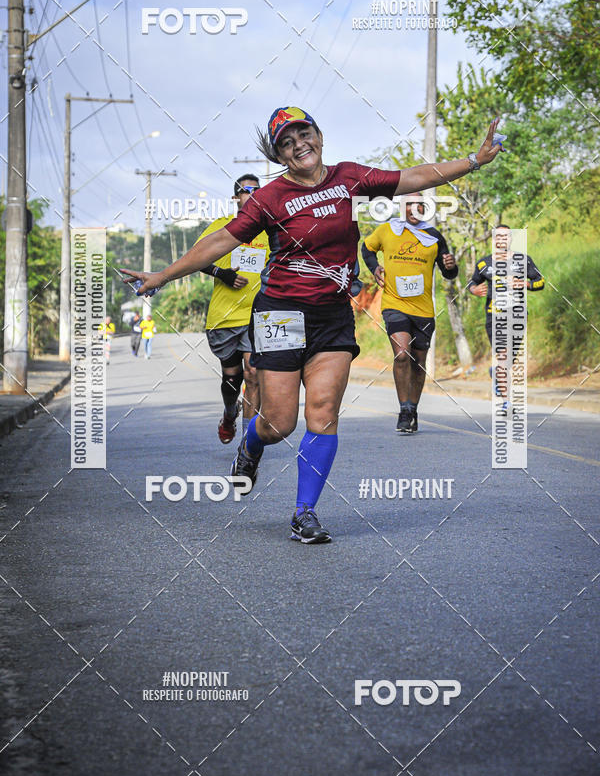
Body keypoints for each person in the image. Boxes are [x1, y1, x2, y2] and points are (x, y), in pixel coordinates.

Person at [122, 107, 503, 544]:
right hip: (280, 314)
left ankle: (304, 512)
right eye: (286, 142)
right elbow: (220, 241)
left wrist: (474, 161)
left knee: (323, 413)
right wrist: (162, 276)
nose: (298, 145)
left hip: (331, 317)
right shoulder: (269, 198)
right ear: (279, 155)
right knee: (278, 423)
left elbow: (413, 177)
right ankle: (251, 445)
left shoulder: (349, 178)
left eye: (303, 134)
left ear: (319, 136)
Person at [361, 194, 458, 434]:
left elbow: (448, 273)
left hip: (423, 309)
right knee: (402, 354)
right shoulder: (387, 230)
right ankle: (404, 409)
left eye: (419, 205)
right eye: (410, 205)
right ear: (402, 208)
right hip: (394, 304)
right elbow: (367, 248)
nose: (415, 209)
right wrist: (375, 268)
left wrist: (451, 266)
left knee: (419, 362)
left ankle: (413, 408)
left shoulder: (433, 236)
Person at [197, 174, 268, 444]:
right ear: (236, 197)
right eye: (246, 190)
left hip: (257, 314)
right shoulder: (221, 226)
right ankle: (229, 413)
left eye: (257, 190)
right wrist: (222, 273)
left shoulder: (270, 230)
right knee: (231, 378)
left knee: (253, 373)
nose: (252, 194)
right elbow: (196, 258)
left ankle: (249, 443)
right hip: (224, 316)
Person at [468, 224, 544, 397]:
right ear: (494, 239)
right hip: (494, 316)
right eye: (499, 236)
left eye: (506, 236)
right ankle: (506, 401)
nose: (502, 239)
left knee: (509, 358)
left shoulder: (524, 260)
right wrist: (474, 290)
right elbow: (472, 282)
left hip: (518, 315)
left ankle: (497, 373)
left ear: (510, 239)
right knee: (503, 355)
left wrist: (524, 283)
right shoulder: (484, 263)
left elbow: (540, 281)